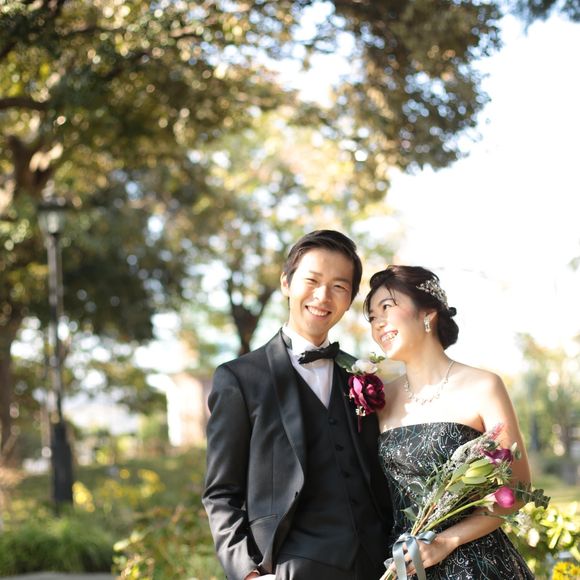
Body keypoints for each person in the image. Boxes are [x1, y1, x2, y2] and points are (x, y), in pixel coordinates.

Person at [203, 230, 393, 580]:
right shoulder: (240, 379)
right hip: (290, 566)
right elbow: (220, 493)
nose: (323, 296)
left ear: (349, 298)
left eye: (339, 286)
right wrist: (247, 573)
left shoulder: (360, 375)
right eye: (312, 280)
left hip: (375, 565)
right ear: (286, 283)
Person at [364, 265, 534, 579]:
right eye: (372, 317)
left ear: (427, 313)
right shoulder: (378, 400)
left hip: (478, 565)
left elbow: (519, 489)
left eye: (386, 307)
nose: (378, 323)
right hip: (405, 566)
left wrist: (446, 541)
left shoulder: (484, 386)